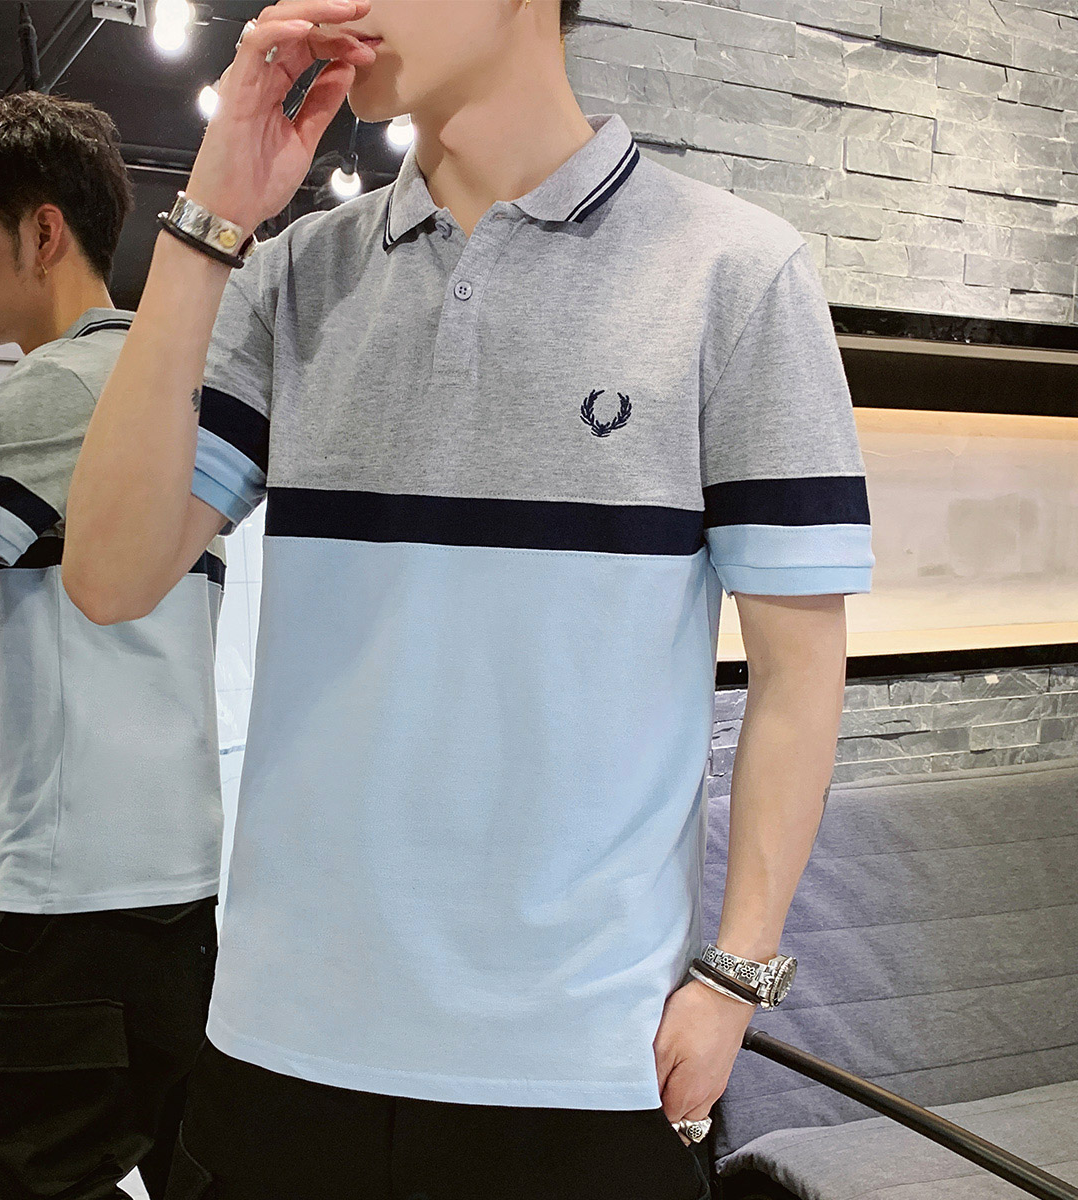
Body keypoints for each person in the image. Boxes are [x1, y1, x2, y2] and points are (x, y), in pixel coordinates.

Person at [62, 0, 875, 1197]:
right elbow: (108, 574)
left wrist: (735, 975)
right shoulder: (293, 276)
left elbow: (798, 675)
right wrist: (210, 221)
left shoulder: (734, 272)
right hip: (281, 1042)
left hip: (579, 1062)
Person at [0, 92, 226, 1200]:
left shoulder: (63, 384)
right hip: (185, 898)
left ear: (40, 232)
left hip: (76, 909)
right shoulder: (173, 383)